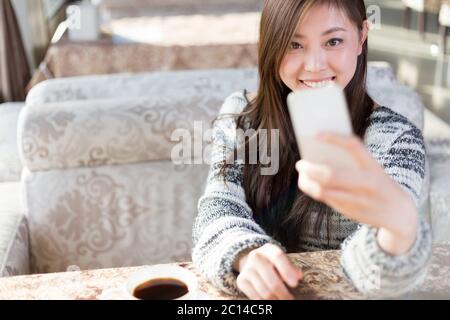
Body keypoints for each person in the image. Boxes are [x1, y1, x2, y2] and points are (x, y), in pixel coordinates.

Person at [192, 0, 432, 300]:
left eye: (334, 41)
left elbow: (375, 276)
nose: (315, 65)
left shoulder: (397, 139)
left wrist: (399, 228)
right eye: (294, 44)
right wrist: (246, 253)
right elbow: (218, 204)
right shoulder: (242, 115)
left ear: (361, 36)